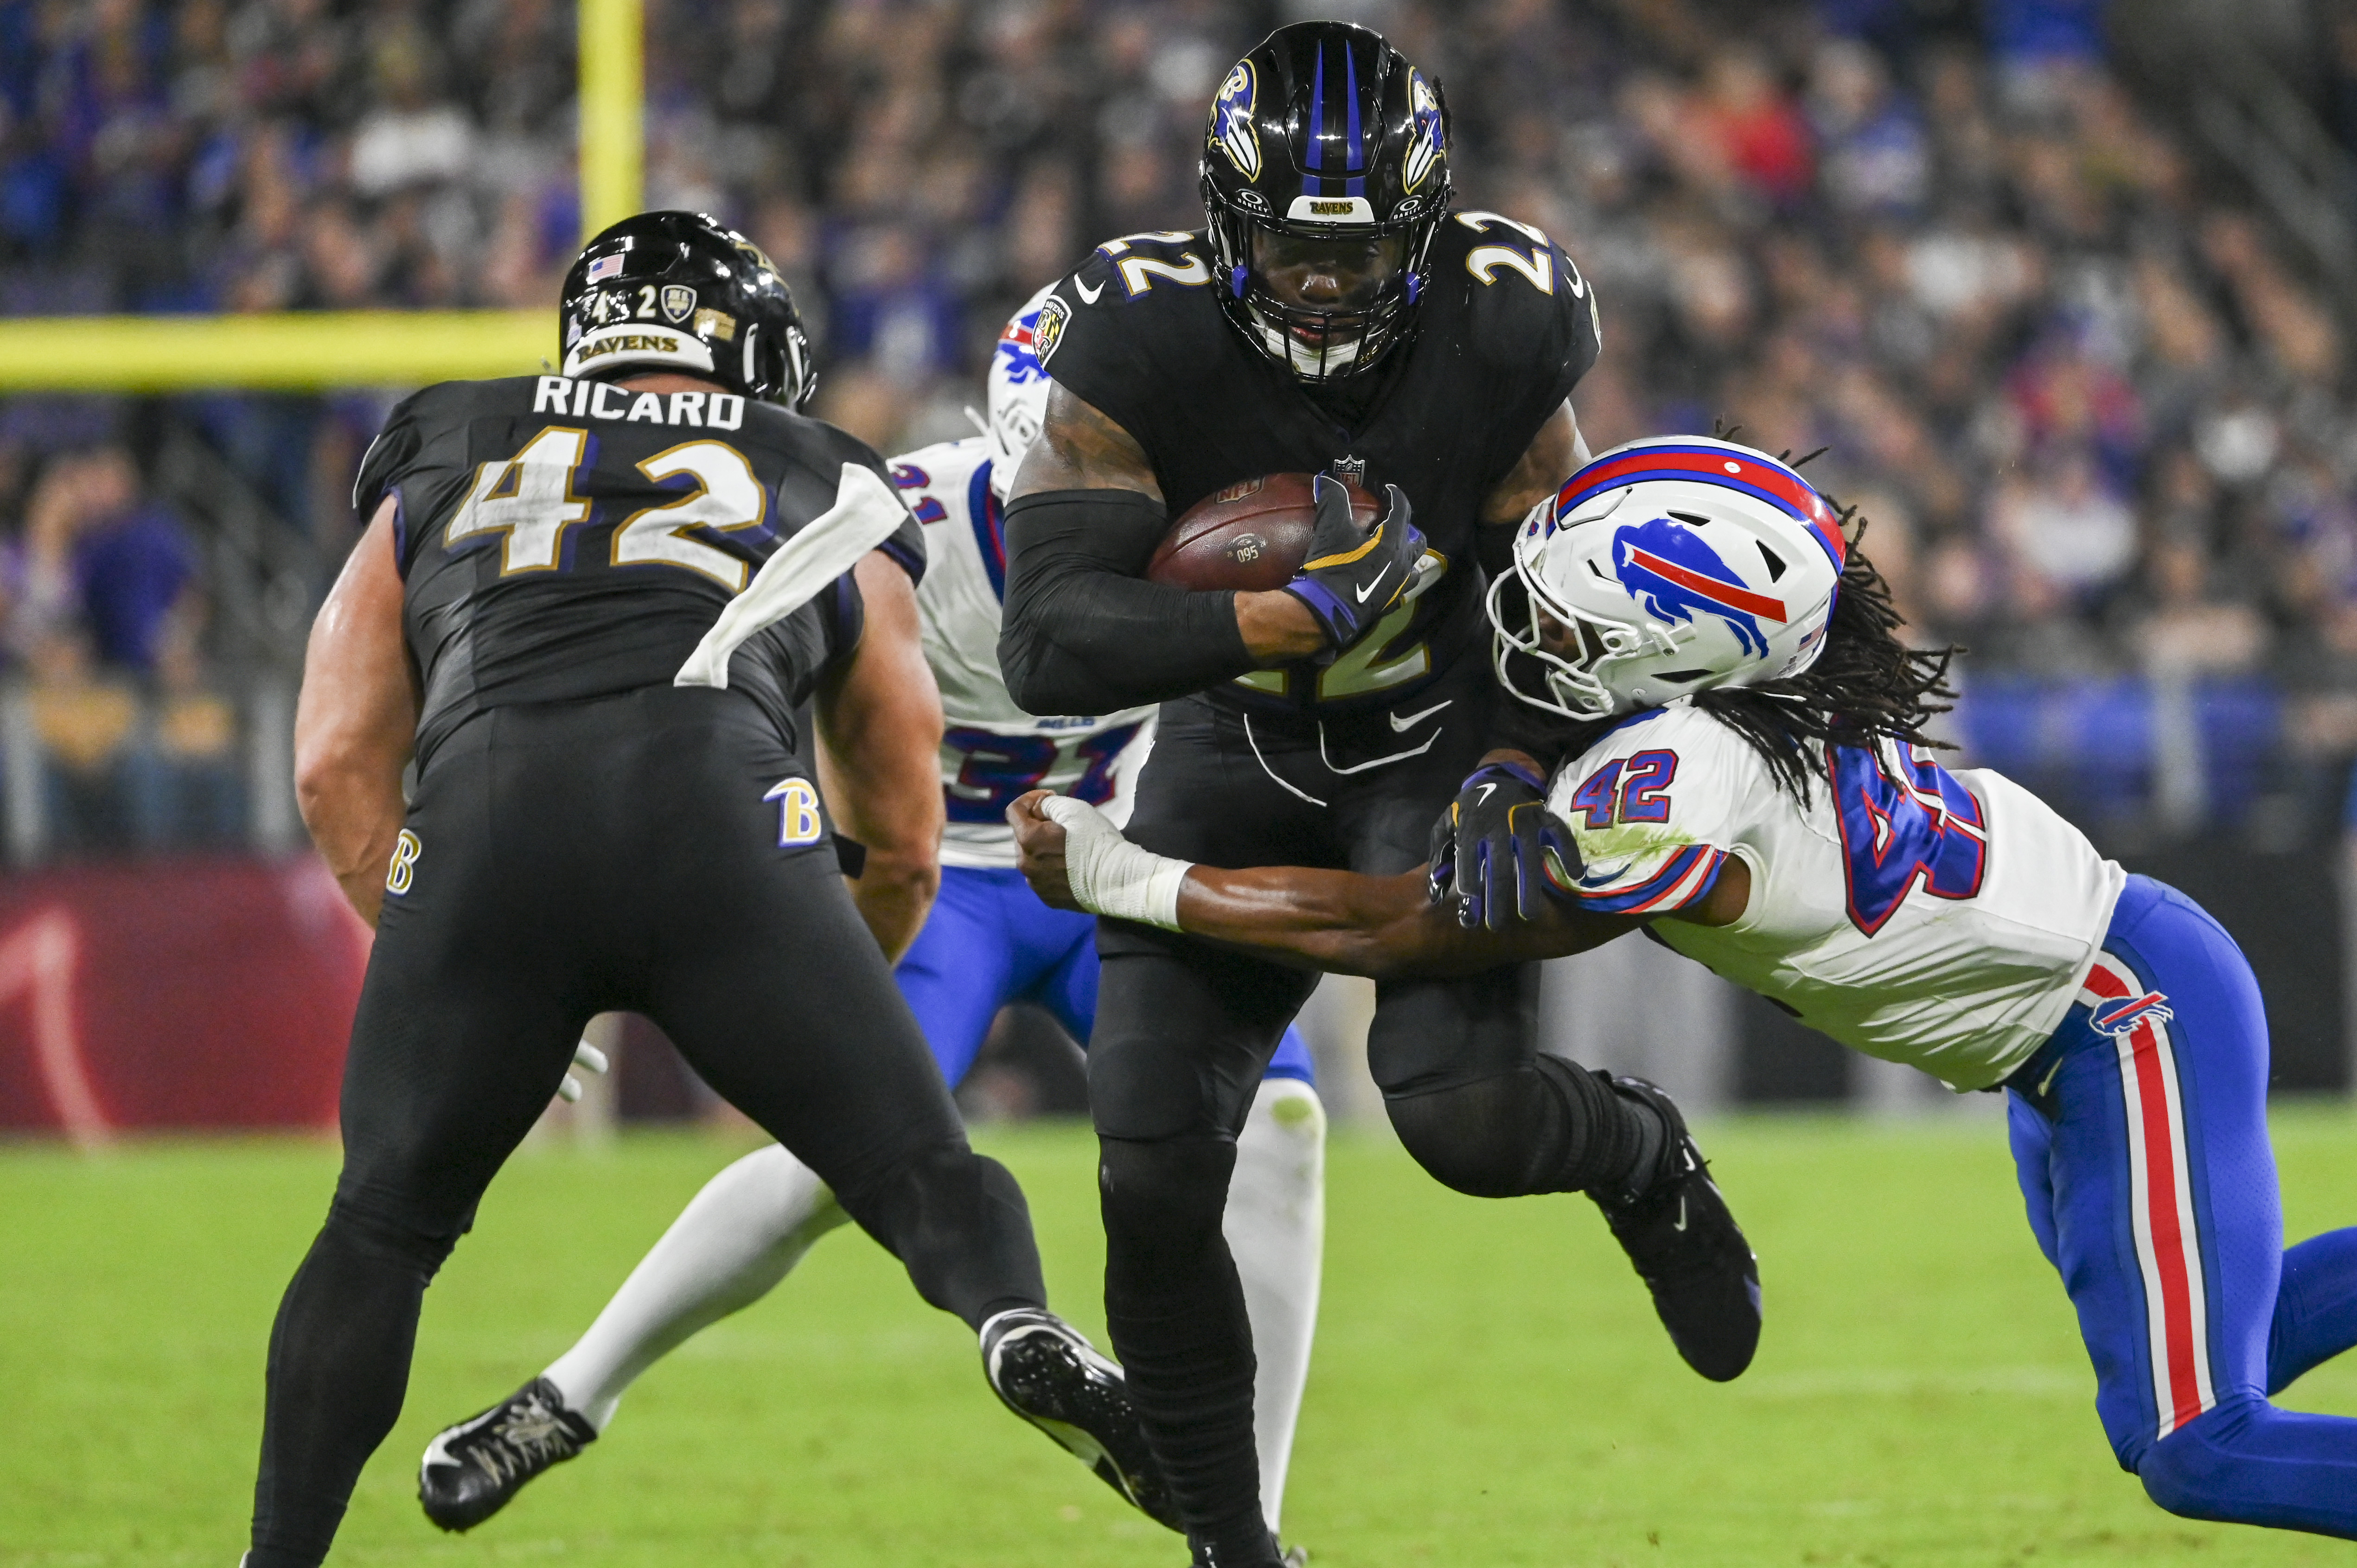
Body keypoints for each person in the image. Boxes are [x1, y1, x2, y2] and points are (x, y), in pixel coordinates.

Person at [1017, 434, 2357, 1543]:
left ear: (1677, 661)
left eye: (1563, 623)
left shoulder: (1681, 784)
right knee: (2181, 1390)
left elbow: (1399, 931)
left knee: (2196, 1446)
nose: (1521, 631)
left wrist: (1124, 878)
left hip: (2121, 1014)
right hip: (2064, 1035)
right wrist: (1509, 769)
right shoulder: (1744, 696)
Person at [246, 211, 1167, 1568]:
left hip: (486, 821)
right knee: (923, 1170)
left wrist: (426, 933)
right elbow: (901, 803)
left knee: (381, 1227)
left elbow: (333, 758)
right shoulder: (826, 472)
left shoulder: (448, 437)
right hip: (722, 824)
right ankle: (1015, 1323)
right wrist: (846, 962)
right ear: (747, 352)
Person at [994, 23, 1761, 1567]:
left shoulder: (1506, 320)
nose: (1324, 285)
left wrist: (1510, 759)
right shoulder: (1130, 338)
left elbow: (1572, 591)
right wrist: (1265, 622)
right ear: (1223, 224)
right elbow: (1047, 639)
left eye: (1357, 253)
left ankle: (1635, 1153)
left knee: (1462, 1119)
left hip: (1442, 725)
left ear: (1424, 229)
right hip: (1238, 737)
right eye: (1288, 248)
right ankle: (1232, 1547)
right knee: (1147, 1165)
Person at [415, 287, 1329, 1547]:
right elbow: (711, 665)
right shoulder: (889, 519)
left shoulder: (1228, 525)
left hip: (1106, 863)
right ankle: (571, 1396)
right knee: (829, 1161)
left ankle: (1245, 1529)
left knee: (1281, 1118)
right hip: (933, 874)